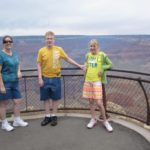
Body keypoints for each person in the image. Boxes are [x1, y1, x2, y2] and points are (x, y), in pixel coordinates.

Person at [37, 31, 83, 126]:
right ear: (45, 40)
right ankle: (47, 116)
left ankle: (53, 116)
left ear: (54, 40)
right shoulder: (41, 51)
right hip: (45, 78)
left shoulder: (59, 49)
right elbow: (39, 64)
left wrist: (79, 65)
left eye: (51, 38)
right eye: (48, 38)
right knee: (46, 99)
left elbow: (67, 59)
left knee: (55, 98)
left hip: (56, 77)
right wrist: (40, 78)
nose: (49, 40)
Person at [82, 39, 113, 132]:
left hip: (97, 81)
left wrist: (103, 68)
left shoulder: (102, 55)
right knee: (91, 101)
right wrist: (85, 66)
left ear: (97, 46)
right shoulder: (87, 55)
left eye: (94, 46)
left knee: (99, 103)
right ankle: (93, 119)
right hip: (88, 80)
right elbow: (86, 64)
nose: (92, 48)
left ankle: (105, 121)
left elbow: (110, 65)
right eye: (91, 46)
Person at [0, 35, 28, 132]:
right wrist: (1, 85)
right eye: (6, 41)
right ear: (3, 43)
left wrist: (19, 71)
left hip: (15, 81)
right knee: (3, 103)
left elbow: (18, 63)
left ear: (12, 42)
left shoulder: (14, 54)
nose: (8, 43)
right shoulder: (1, 54)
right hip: (5, 82)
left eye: (10, 41)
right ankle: (4, 123)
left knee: (17, 101)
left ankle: (17, 120)